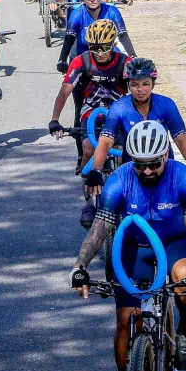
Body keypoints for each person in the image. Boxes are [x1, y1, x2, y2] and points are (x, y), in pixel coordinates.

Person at [70, 120, 186, 371]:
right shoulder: (120, 179)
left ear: (165, 155)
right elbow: (101, 227)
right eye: (140, 165)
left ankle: (185, 329)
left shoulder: (182, 177)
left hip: (175, 242)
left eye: (153, 164)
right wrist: (80, 267)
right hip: (133, 245)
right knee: (126, 323)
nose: (147, 171)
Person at [85, 58, 186, 197]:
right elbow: (105, 142)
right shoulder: (119, 107)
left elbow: (181, 140)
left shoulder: (166, 104)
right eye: (134, 84)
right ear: (128, 85)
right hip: (134, 168)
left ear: (153, 84)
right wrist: (96, 170)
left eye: (145, 84)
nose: (140, 89)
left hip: (164, 167)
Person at [48, 19, 131, 222]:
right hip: (90, 112)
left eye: (104, 47)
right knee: (87, 148)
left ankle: (125, 197)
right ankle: (89, 201)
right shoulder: (82, 61)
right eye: (94, 47)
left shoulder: (124, 62)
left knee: (122, 156)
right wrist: (54, 119)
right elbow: (64, 92)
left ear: (113, 44)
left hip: (119, 112)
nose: (99, 52)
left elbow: (140, 91)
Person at [58, 0, 135, 66]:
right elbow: (69, 39)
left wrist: (133, 56)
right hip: (84, 54)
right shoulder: (77, 14)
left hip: (109, 54)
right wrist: (62, 60)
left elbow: (123, 35)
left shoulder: (112, 11)